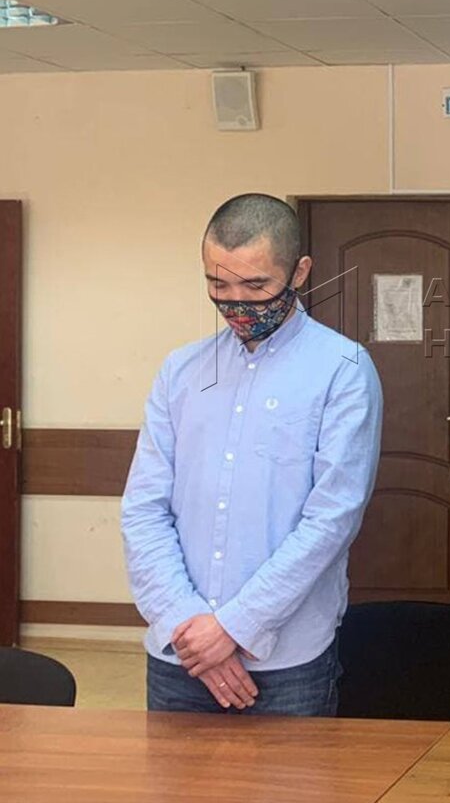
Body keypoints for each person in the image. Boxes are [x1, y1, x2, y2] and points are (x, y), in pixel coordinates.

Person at [121, 193, 383, 716]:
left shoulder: (342, 369)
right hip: (180, 653)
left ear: (300, 272)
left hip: (288, 661)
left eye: (256, 286)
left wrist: (234, 628)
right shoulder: (181, 371)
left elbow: (330, 520)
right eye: (219, 285)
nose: (236, 303)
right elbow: (144, 509)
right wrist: (188, 623)